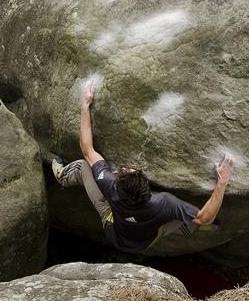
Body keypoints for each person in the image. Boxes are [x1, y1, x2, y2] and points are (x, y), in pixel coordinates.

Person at [52, 80, 235, 253]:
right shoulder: (164, 203)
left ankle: (63, 177)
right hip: (147, 240)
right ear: (146, 184)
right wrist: (223, 180)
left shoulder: (109, 186)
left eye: (124, 172)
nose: (126, 168)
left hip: (116, 232)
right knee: (194, 219)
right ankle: (190, 229)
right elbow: (206, 218)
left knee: (84, 166)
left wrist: (85, 106)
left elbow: (87, 150)